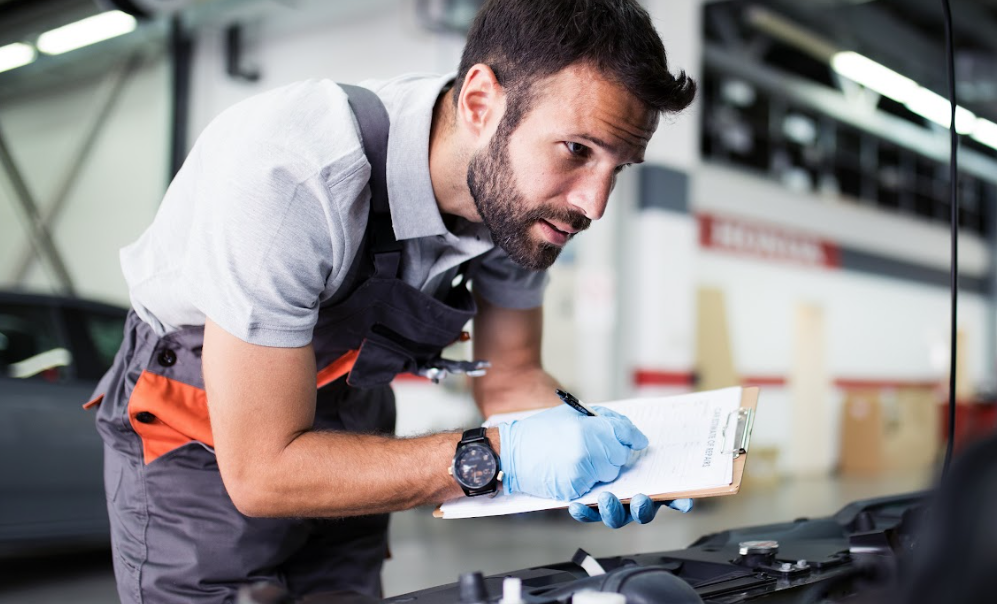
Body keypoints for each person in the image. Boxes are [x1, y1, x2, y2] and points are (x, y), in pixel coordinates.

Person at [86, 1, 696, 601]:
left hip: (354, 407)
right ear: (481, 103)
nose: (593, 204)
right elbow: (262, 471)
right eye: (577, 150)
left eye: (619, 168)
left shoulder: (523, 209)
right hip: (203, 425)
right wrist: (497, 459)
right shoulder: (292, 177)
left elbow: (511, 379)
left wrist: (601, 457)